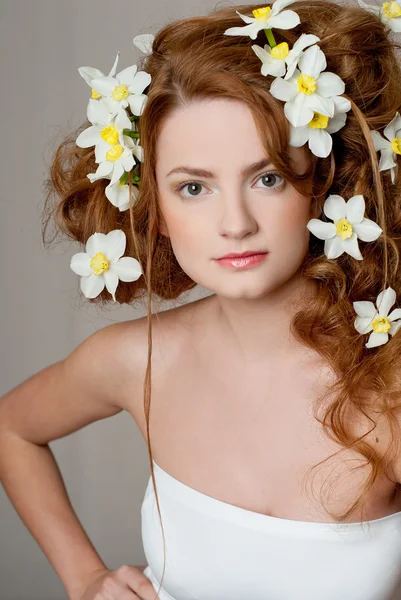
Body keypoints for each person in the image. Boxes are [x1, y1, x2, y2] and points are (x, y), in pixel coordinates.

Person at [1, 0, 401, 598]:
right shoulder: (136, 359)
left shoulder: (387, 385)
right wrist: (86, 580)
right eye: (194, 187)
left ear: (320, 186)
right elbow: (12, 428)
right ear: (154, 210)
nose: (234, 223)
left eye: (266, 178)